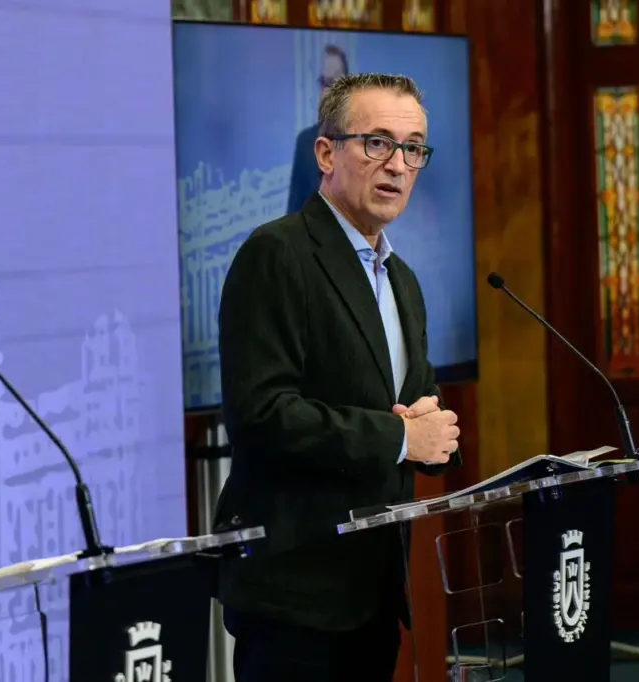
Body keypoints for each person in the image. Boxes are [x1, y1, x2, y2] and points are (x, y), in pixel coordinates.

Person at [213, 73, 462, 681]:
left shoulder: (400, 278)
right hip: (296, 592)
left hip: (372, 585)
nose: (398, 164)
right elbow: (261, 414)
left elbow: (416, 405)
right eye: (377, 142)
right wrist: (401, 439)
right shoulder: (277, 254)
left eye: (413, 148)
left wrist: (438, 435)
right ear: (325, 153)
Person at [286, 44, 349, 214]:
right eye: (324, 82)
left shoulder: (358, 142)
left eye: (333, 83)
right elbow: (293, 210)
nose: (327, 91)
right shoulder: (305, 142)